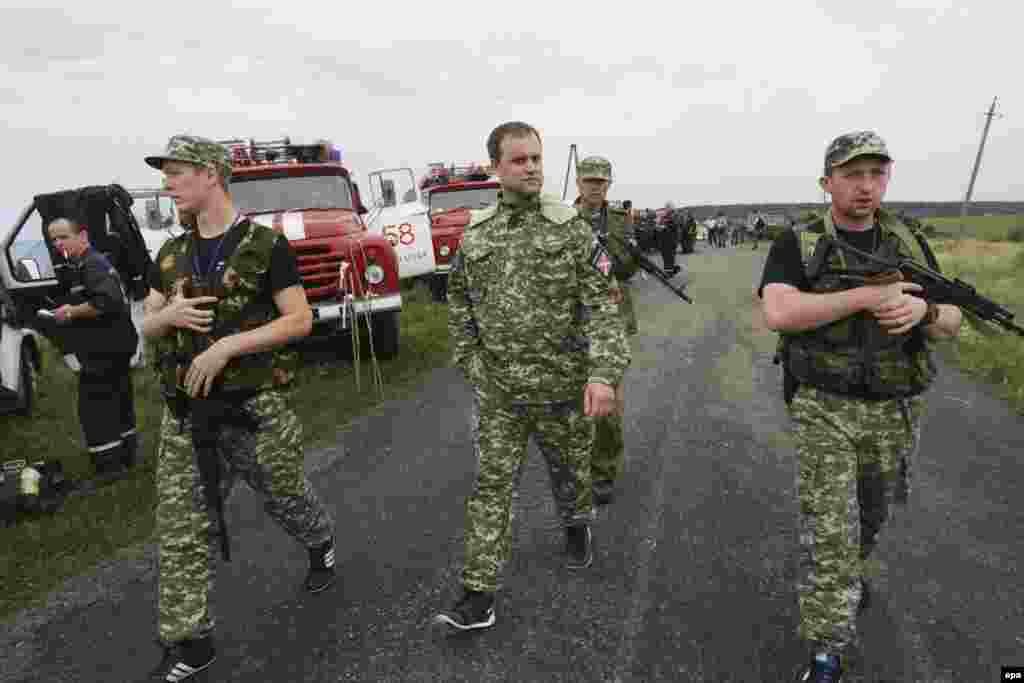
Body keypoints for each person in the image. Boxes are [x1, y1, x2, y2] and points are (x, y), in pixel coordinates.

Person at [758, 131, 962, 682]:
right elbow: (778, 312)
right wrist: (869, 297)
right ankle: (827, 653)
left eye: (877, 173)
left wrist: (923, 316)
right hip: (824, 404)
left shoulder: (909, 241)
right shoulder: (797, 242)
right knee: (830, 532)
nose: (866, 186)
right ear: (828, 183)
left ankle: (845, 577)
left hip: (895, 407)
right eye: (853, 174)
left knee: (869, 518)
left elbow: (952, 319)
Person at [140, 135, 337, 681]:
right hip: (187, 414)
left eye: (176, 172)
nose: (167, 183)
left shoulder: (263, 246)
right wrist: (169, 316)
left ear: (210, 174)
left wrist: (227, 346)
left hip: (255, 410)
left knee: (287, 498)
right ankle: (189, 642)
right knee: (181, 529)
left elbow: (298, 320)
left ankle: (321, 542)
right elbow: (146, 324)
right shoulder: (169, 253)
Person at [435, 121, 630, 632]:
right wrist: (471, 360)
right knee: (491, 488)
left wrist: (603, 375)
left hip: (562, 390)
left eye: (536, 159)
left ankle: (577, 524)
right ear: (496, 168)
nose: (531, 168)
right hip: (499, 392)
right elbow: (458, 302)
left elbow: (604, 308)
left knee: (570, 478)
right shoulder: (476, 236)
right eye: (519, 160)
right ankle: (478, 595)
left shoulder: (570, 229)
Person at [46, 217, 140, 481]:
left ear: (83, 236)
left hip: (105, 349)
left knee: (95, 408)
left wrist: (71, 312)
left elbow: (108, 301)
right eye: (53, 239)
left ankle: (108, 468)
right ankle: (127, 455)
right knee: (119, 400)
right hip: (114, 347)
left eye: (63, 237)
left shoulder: (92, 264)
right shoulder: (81, 265)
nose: (57, 243)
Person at [572, 156, 641, 505]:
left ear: (609, 184)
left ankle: (603, 471)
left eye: (601, 181)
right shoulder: (563, 221)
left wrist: (603, 251)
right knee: (572, 400)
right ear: (578, 183)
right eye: (589, 180)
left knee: (607, 400)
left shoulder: (619, 221)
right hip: (572, 317)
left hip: (612, 316)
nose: (595, 186)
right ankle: (576, 467)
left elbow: (627, 266)